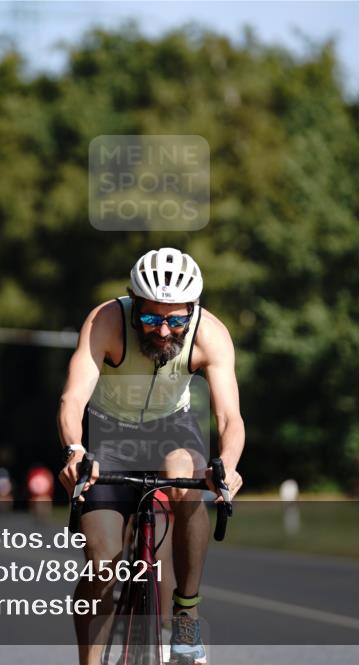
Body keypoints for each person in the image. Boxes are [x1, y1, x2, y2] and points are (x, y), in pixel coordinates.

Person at [58, 248, 244, 665]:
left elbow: (229, 416)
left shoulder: (209, 333)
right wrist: (75, 450)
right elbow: (72, 397)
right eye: (151, 318)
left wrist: (227, 466)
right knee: (103, 563)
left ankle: (186, 612)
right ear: (134, 304)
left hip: (171, 428)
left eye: (176, 319)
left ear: (192, 310)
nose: (163, 331)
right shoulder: (106, 320)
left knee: (185, 478)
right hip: (108, 432)